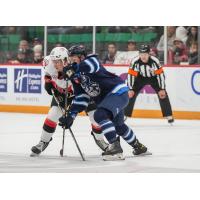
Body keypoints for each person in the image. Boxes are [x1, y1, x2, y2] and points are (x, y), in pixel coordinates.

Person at [58, 45, 150, 161]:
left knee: (100, 115)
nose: (71, 61)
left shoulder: (91, 60)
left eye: (73, 58)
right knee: (119, 126)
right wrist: (71, 115)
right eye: (70, 58)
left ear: (81, 57)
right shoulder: (75, 76)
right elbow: (82, 97)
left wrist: (73, 70)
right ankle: (139, 147)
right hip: (110, 99)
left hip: (117, 92)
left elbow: (90, 66)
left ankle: (115, 147)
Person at [30, 47, 108, 156]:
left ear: (66, 60)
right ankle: (43, 141)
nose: (55, 64)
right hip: (62, 93)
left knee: (95, 115)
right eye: (54, 61)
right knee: (53, 114)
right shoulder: (48, 63)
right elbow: (48, 75)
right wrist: (48, 83)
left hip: (82, 93)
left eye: (58, 61)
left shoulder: (76, 66)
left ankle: (100, 139)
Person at [124, 44, 174, 124]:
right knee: (131, 94)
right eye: (141, 54)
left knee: (163, 94)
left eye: (145, 54)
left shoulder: (155, 61)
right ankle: (125, 114)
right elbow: (131, 76)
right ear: (139, 54)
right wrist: (130, 89)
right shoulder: (135, 62)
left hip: (153, 78)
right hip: (140, 78)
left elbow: (160, 75)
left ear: (149, 54)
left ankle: (168, 115)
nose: (143, 56)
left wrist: (162, 89)